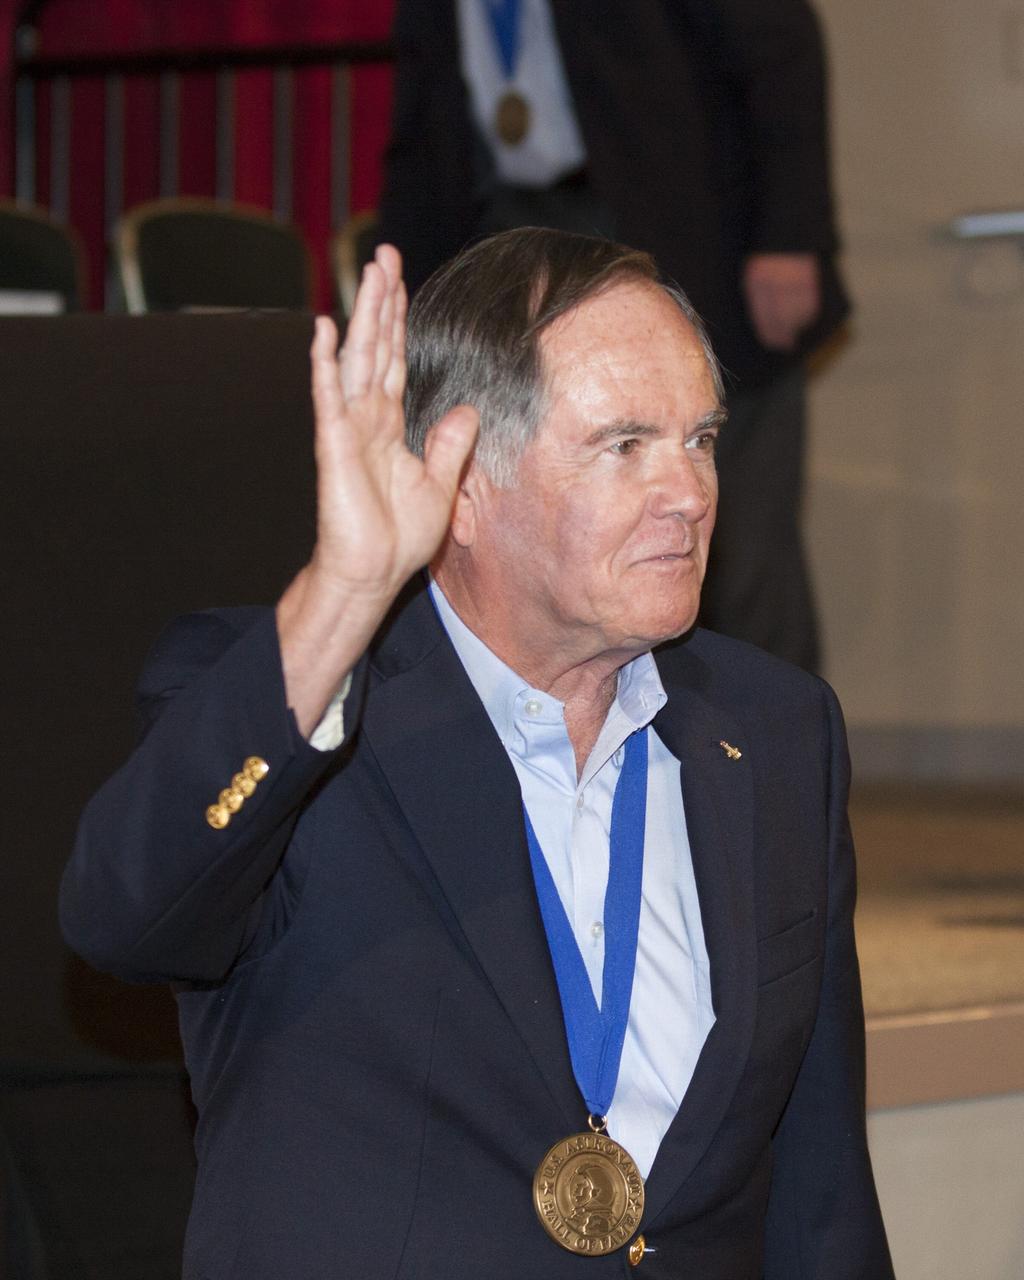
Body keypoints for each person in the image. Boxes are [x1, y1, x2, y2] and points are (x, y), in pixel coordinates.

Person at [61, 229, 892, 1278]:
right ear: (463, 485)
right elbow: (120, 917)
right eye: (624, 443)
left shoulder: (775, 731)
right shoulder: (303, 711)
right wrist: (345, 597)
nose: (687, 489)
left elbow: (819, 1184)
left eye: (701, 438)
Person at [377, 0, 850, 672]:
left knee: (734, 541)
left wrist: (790, 235)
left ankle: (771, 764)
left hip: (683, 232)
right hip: (500, 229)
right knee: (518, 552)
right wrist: (401, 303)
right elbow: (421, 132)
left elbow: (779, 50)